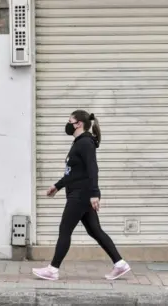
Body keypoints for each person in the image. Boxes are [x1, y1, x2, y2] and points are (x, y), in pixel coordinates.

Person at [32, 110, 130, 281]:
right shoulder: (79, 143)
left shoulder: (85, 143)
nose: (68, 124)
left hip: (81, 195)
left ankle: (53, 269)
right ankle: (120, 263)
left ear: (78, 124)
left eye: (70, 121)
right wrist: (57, 186)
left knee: (65, 230)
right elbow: (74, 173)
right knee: (95, 231)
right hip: (79, 193)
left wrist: (94, 194)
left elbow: (93, 169)